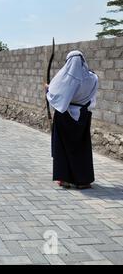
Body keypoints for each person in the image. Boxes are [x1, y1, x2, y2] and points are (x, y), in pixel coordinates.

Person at [46, 50, 99, 190]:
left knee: (63, 147)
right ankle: (83, 180)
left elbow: (55, 94)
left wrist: (47, 90)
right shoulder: (93, 78)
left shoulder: (66, 78)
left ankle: (65, 179)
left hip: (65, 116)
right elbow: (92, 97)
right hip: (83, 115)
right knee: (82, 148)